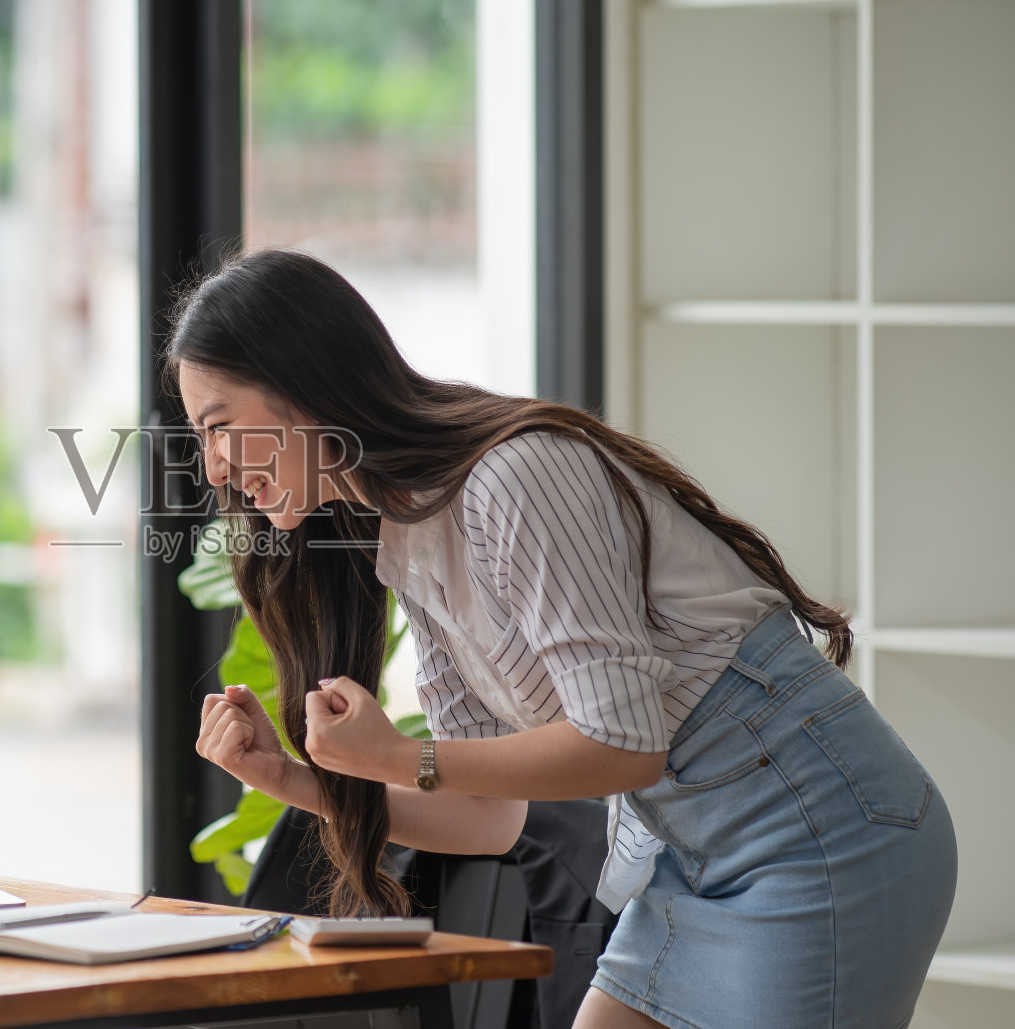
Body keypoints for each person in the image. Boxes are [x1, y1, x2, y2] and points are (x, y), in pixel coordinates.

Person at [167, 249, 957, 1029]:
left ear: (303, 381)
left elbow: (624, 745)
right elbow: (487, 816)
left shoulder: (513, 475)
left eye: (219, 426)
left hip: (816, 832)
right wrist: (292, 778)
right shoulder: (408, 539)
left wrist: (398, 755)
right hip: (688, 858)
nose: (215, 468)